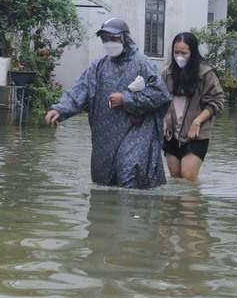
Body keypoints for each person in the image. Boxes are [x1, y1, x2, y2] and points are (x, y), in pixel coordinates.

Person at [45, 17, 172, 189]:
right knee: (103, 182)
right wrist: (60, 110)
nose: (109, 43)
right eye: (105, 40)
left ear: (124, 39)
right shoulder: (99, 66)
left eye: (113, 39)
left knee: (129, 175)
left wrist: (126, 99)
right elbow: (80, 88)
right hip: (105, 134)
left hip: (136, 132)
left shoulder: (143, 63)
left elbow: (161, 94)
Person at [160, 32, 224, 181]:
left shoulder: (205, 73)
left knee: (188, 175)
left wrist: (197, 122)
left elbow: (217, 101)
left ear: (193, 52)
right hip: (171, 133)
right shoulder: (167, 73)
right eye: (176, 52)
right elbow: (159, 100)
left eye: (184, 53)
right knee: (175, 176)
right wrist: (163, 121)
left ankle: (195, 201)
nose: (179, 56)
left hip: (196, 133)